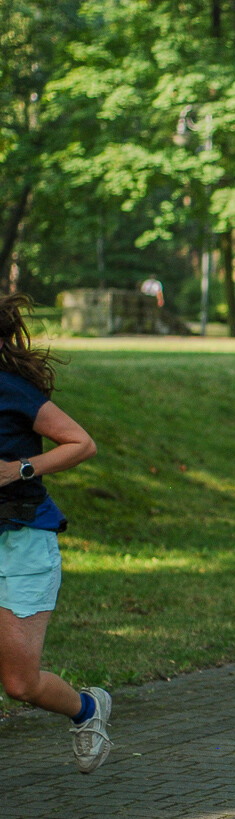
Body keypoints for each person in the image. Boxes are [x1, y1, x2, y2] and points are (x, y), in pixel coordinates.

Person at [0, 294, 109, 773]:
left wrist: (18, 469)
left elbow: (81, 443)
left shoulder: (10, 389)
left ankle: (87, 710)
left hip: (21, 543)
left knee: (20, 685)